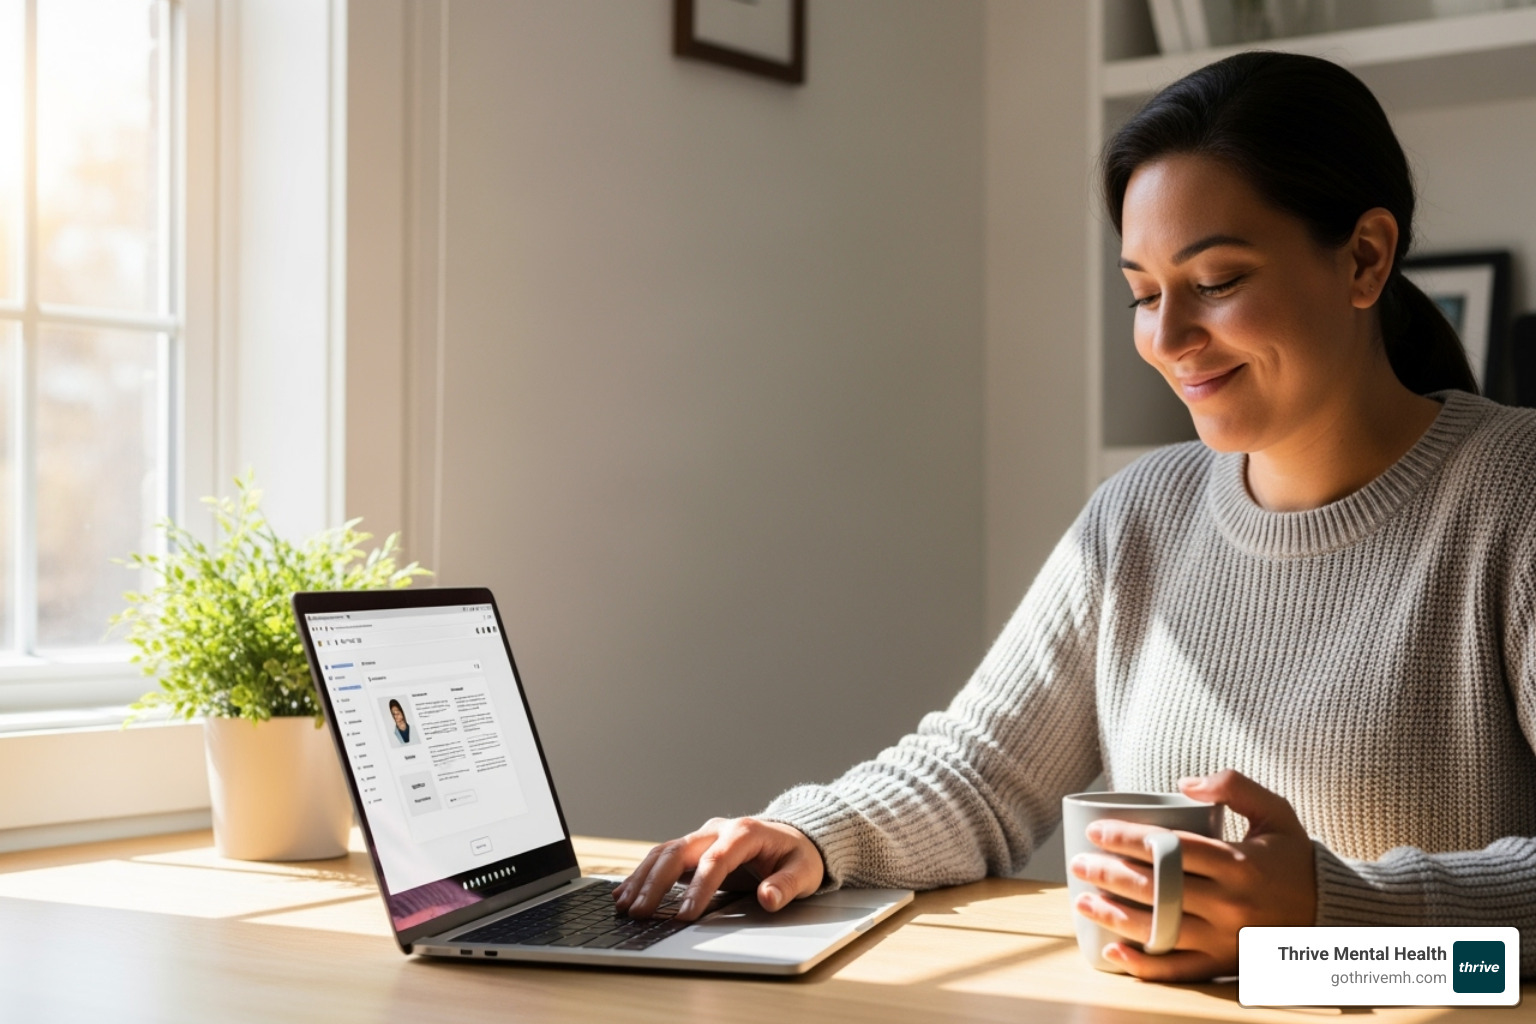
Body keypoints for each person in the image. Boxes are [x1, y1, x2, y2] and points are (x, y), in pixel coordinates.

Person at [615, 50, 1536, 982]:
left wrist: (1335, 919)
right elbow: (980, 773)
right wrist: (810, 834)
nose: (1168, 339)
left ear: (1365, 258)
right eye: (1142, 293)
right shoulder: (1138, 516)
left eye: (1216, 281)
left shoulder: (1514, 497)